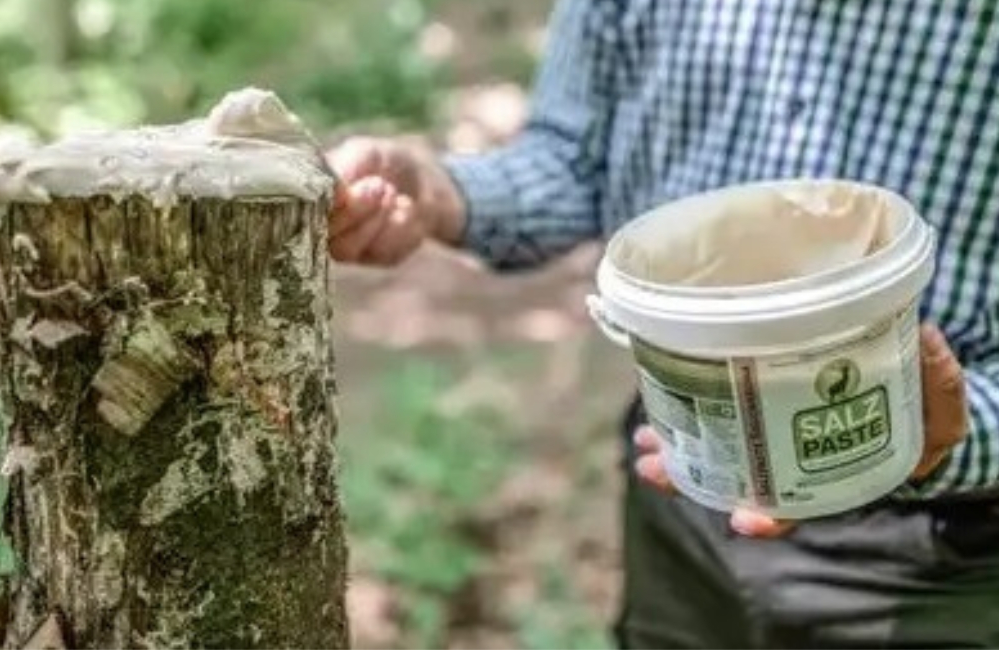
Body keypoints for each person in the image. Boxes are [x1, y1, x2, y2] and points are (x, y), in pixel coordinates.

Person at [326, 1, 999, 647]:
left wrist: (953, 429)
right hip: (694, 474)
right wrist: (442, 193)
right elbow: (573, 157)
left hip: (944, 552)